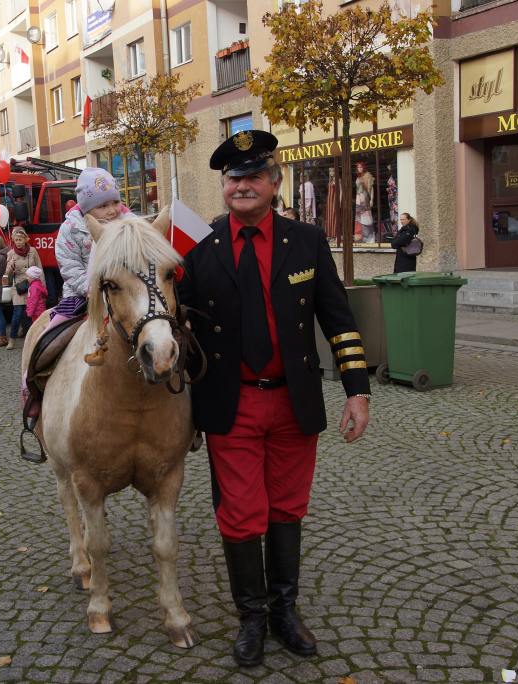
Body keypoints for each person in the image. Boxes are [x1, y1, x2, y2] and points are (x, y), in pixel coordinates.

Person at [177, 129, 371, 668]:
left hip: (293, 403)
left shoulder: (306, 241)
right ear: (223, 185)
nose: (242, 185)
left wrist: (357, 391)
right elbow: (179, 325)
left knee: (287, 509)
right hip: (230, 405)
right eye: (233, 177)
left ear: (275, 181)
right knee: (241, 515)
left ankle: (285, 612)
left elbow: (339, 320)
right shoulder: (199, 248)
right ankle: (253, 619)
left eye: (254, 175)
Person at [52, 167, 126, 325]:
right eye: (103, 206)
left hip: (121, 291)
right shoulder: (71, 228)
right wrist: (90, 288)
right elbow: (69, 265)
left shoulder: (126, 225)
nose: (112, 210)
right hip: (80, 295)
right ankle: (40, 346)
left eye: (115, 203)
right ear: (87, 209)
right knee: (56, 332)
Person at [4, 227, 42, 350]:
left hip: (33, 286)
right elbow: (7, 275)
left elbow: (40, 269)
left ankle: (34, 338)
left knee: (33, 313)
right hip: (19, 287)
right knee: (17, 313)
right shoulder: (10, 254)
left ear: (25, 239)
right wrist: (10, 268)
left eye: (20, 239)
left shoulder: (33, 251)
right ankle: (12, 340)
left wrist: (43, 287)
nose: (18, 242)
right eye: (16, 240)